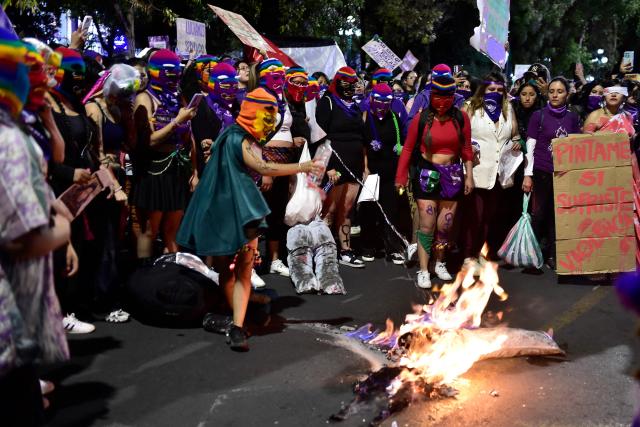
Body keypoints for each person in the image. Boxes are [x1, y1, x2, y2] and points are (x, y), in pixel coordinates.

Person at [176, 88, 322, 351]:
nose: (271, 123)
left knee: (230, 269)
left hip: (223, 210)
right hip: (242, 212)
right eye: (268, 116)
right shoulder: (238, 139)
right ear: (254, 113)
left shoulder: (229, 134)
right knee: (242, 269)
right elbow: (264, 168)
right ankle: (239, 323)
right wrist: (302, 166)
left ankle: (239, 317)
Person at [0, 28, 70, 425]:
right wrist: (63, 229)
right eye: (30, 71)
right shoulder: (6, 139)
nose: (42, 79)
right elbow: (22, 240)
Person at [396, 72, 474, 289]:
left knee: (445, 226)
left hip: (453, 175)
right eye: (437, 96)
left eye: (446, 96)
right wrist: (401, 177)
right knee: (427, 225)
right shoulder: (421, 119)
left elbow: (466, 148)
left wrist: (469, 175)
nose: (441, 101)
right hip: (427, 174)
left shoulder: (461, 117)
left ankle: (440, 262)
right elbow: (408, 148)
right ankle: (423, 269)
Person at [131, 49, 196, 257]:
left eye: (177, 71)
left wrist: (194, 170)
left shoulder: (178, 98)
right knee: (150, 230)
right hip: (153, 170)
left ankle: (170, 275)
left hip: (175, 168)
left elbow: (188, 138)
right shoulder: (144, 98)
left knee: (172, 230)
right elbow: (149, 140)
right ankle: (143, 275)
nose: (175, 76)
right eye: (170, 72)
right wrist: (177, 122)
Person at [523, 77, 582, 270]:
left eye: (560, 91)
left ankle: (554, 257)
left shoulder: (572, 117)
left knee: (558, 217)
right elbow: (530, 147)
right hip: (541, 172)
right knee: (538, 215)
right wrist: (528, 174)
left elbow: (576, 144)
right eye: (552, 91)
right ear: (547, 94)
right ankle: (533, 257)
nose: (555, 95)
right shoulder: (538, 116)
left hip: (564, 174)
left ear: (567, 94)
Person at [461, 72, 522, 259]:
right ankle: (467, 256)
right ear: (483, 89)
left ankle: (478, 252)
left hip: (498, 172)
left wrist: (517, 141)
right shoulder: (470, 107)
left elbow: (515, 134)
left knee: (488, 217)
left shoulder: (508, 108)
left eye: (499, 89)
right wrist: (467, 144)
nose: (495, 92)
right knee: (474, 217)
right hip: (475, 170)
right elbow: (458, 134)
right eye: (491, 89)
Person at [259, 64, 309, 278]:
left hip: (284, 162)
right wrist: (265, 170)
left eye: (281, 75)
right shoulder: (261, 98)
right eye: (275, 76)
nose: (278, 79)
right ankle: (251, 262)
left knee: (278, 212)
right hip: (267, 162)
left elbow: (285, 129)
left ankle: (274, 260)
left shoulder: (284, 101)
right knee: (260, 214)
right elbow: (257, 137)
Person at [316, 66, 366, 268]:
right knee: (330, 209)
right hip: (334, 164)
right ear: (337, 81)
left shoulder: (354, 106)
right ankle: (325, 251)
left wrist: (364, 165)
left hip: (354, 164)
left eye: (353, 83)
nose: (350, 86)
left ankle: (345, 250)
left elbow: (362, 137)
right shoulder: (327, 102)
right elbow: (319, 136)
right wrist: (326, 167)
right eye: (345, 82)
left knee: (346, 210)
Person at [360, 83, 409, 264]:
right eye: (378, 101)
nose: (382, 106)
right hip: (372, 171)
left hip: (391, 171)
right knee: (369, 210)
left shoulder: (395, 118)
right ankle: (368, 246)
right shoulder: (365, 118)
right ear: (371, 99)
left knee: (391, 211)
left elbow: (404, 144)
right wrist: (365, 168)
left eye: (386, 102)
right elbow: (363, 147)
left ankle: (393, 248)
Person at [191, 61, 240, 177]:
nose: (230, 91)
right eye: (226, 86)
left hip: (232, 165)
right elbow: (205, 144)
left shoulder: (236, 107)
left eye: (234, 87)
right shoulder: (202, 105)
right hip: (211, 168)